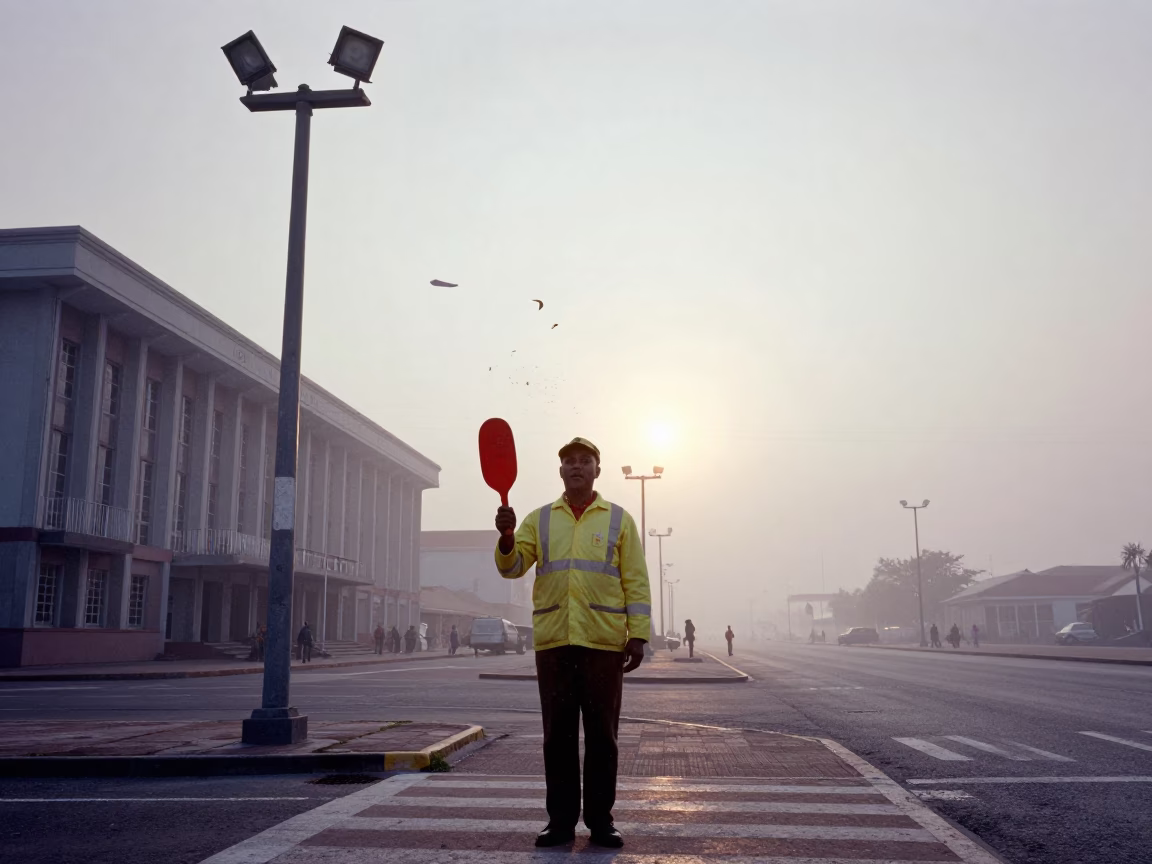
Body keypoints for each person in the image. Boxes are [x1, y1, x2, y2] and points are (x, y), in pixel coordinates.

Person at [494, 436, 651, 849]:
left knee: (603, 737)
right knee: (558, 738)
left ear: (597, 470)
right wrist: (508, 537)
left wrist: (638, 635)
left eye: (585, 461)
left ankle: (601, 822)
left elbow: (635, 580)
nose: (577, 467)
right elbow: (512, 568)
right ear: (560, 471)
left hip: (603, 644)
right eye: (569, 462)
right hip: (555, 644)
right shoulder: (538, 520)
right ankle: (560, 823)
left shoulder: (619, 519)